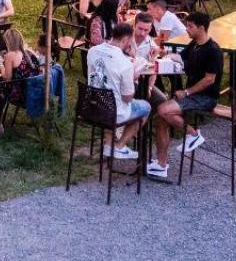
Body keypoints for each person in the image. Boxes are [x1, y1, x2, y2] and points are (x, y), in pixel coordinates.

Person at [146, 11, 223, 180]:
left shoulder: (213, 51)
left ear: (201, 28)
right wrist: (162, 54)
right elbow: (180, 58)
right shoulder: (194, 44)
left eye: (190, 26)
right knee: (161, 120)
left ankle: (193, 134)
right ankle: (161, 165)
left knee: (163, 109)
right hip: (193, 94)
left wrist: (187, 92)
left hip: (205, 97)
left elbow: (210, 80)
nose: (186, 29)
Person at [86, 22, 149, 161]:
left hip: (91, 108)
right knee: (146, 107)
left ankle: (109, 145)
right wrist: (133, 78)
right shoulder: (125, 63)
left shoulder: (92, 51)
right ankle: (119, 146)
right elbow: (127, 97)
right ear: (126, 40)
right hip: (113, 112)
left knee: (111, 99)